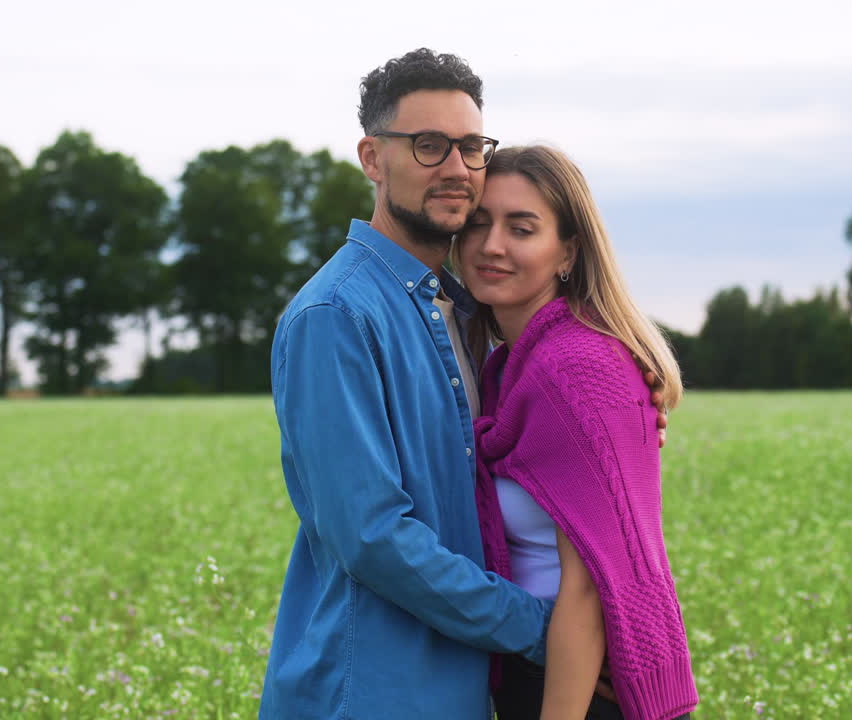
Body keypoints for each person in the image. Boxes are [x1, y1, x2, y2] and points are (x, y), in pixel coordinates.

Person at [261, 50, 669, 720]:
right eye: (428, 146)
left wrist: (626, 393)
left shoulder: (465, 318)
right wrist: (545, 631)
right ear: (373, 158)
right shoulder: (335, 316)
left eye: (470, 146)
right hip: (370, 691)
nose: (455, 169)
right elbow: (372, 536)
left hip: (464, 689)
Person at [457, 145, 698, 720]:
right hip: (536, 665)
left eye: (522, 228)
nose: (492, 245)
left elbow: (587, 586)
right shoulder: (503, 369)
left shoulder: (578, 368)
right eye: (478, 224)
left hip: (586, 688)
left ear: (567, 251)